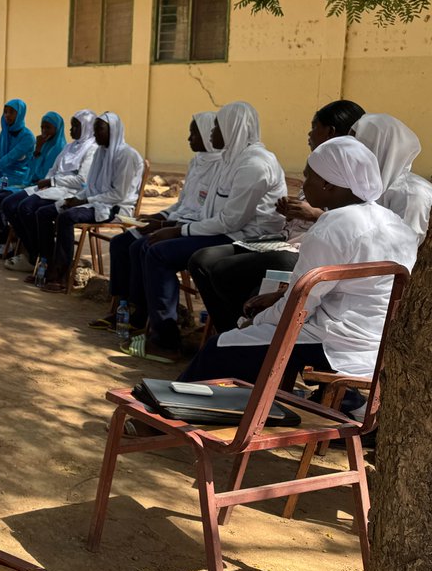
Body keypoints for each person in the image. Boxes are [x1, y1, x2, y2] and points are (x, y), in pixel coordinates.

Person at [178, 136, 418, 385]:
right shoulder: (394, 223)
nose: (304, 184)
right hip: (375, 343)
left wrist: (252, 322)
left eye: (308, 176)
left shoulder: (332, 227)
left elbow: (298, 307)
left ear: (327, 184)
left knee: (219, 347)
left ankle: (178, 404)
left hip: (334, 343)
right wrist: (279, 298)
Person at [188, 99, 364, 335]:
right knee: (202, 260)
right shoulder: (319, 161)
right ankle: (230, 330)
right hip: (286, 239)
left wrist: (314, 215)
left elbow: (347, 223)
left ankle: (238, 332)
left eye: (314, 127)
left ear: (330, 131)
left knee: (224, 271)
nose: (309, 134)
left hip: (305, 250)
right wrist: (293, 212)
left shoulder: (354, 172)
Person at [130, 101, 286, 360]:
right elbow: (211, 213)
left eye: (217, 127)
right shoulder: (230, 159)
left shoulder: (255, 164)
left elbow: (230, 222)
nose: (211, 133)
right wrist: (174, 225)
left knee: (159, 254)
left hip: (246, 238)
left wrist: (180, 231)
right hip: (224, 230)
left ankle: (166, 342)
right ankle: (154, 325)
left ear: (232, 128)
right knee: (150, 245)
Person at [93, 112, 222, 328]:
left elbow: (204, 214)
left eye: (194, 133)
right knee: (120, 243)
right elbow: (181, 204)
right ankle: (122, 306)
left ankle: (140, 312)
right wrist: (158, 216)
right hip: (176, 221)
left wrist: (165, 225)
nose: (188, 138)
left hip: (192, 227)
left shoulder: (220, 167)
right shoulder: (196, 162)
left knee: (140, 247)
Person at [32, 111, 143, 293]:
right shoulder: (100, 152)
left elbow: (119, 194)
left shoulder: (126, 155)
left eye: (99, 129)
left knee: (66, 217)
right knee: (44, 213)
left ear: (113, 131)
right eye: (95, 129)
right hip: (94, 201)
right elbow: (90, 186)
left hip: (115, 207)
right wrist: (76, 198)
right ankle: (46, 265)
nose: (95, 133)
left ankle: (61, 275)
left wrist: (84, 200)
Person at [0, 109, 98, 269]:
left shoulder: (92, 150)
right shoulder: (69, 147)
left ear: (87, 127)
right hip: (51, 186)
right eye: (71, 125)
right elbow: (53, 168)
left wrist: (51, 181)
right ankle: (33, 250)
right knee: (9, 204)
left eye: (75, 126)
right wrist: (48, 181)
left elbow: (81, 180)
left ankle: (40, 258)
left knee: (26, 208)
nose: (71, 129)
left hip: (69, 191)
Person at [0, 108, 63, 251]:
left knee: (1, 201)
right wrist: (38, 151)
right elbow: (33, 170)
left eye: (48, 127)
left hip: (26, 181)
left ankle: (14, 244)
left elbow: (40, 173)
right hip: (26, 182)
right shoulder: (38, 144)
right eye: (42, 127)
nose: (44, 131)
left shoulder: (57, 148)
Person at [352, 113, 432, 240]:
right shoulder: (360, 183)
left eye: (355, 144)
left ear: (376, 148)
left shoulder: (411, 193)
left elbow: (404, 244)